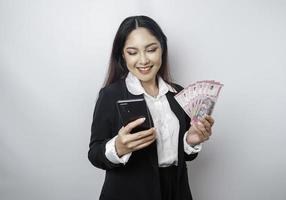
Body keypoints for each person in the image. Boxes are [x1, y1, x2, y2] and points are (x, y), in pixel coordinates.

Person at [88, 15, 215, 200]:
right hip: (129, 193)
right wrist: (118, 147)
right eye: (132, 52)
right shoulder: (111, 95)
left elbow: (185, 157)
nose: (143, 60)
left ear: (162, 49)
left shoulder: (178, 94)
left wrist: (191, 141)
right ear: (122, 55)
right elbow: (94, 154)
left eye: (151, 50)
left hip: (176, 192)